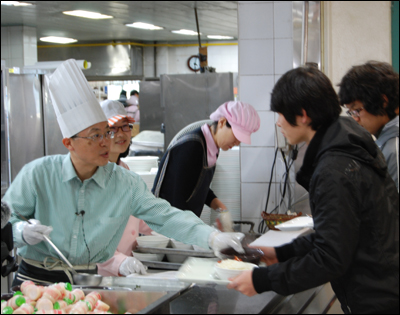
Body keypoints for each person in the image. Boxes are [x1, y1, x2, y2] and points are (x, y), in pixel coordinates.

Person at [2, 59, 244, 285]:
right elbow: (7, 222)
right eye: (95, 136)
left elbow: (166, 216)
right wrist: (20, 232)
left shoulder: (125, 183)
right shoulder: (38, 175)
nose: (106, 142)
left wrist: (211, 237)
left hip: (87, 283)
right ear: (69, 143)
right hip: (32, 283)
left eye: (105, 133)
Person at [227, 66, 399, 314]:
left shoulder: (334, 169)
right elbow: (337, 233)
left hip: (377, 300)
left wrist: (261, 280)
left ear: (303, 115)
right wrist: (282, 252)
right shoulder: (348, 146)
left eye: (281, 114)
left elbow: (330, 256)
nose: (278, 122)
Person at [152, 101, 260, 230]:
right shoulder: (192, 146)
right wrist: (203, 232)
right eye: (236, 136)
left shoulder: (211, 147)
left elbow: (196, 187)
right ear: (222, 122)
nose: (237, 143)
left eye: (240, 140)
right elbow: (177, 199)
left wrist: (221, 208)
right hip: (166, 225)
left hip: (181, 224)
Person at [97, 99, 152, 277]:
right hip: (100, 276)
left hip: (127, 273)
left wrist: (172, 233)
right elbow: (89, 239)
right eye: (112, 129)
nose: (121, 134)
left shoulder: (125, 170)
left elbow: (140, 214)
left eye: (125, 127)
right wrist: (120, 262)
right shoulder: (91, 177)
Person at [338, 61, 399, 190]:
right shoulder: (386, 141)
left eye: (357, 110)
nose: (355, 119)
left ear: (383, 102)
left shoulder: (395, 147)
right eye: (351, 112)